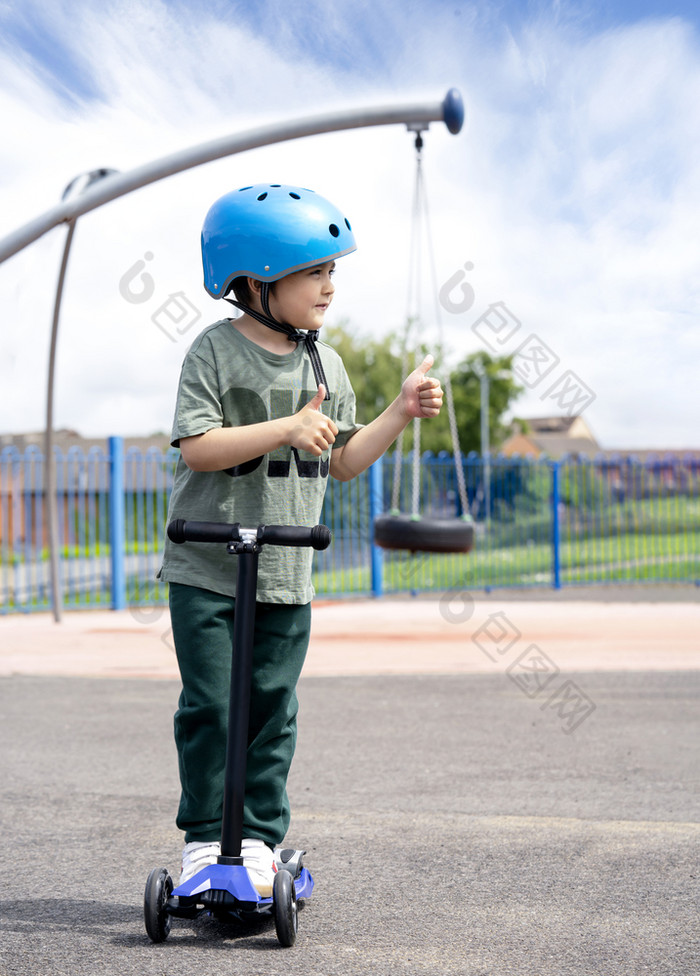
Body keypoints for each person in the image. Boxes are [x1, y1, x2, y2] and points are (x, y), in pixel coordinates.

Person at [158, 183, 443, 895]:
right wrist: (284, 427)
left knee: (272, 712)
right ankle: (203, 843)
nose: (329, 285)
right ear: (257, 279)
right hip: (206, 566)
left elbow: (342, 460)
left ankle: (254, 842)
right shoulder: (214, 353)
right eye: (314, 271)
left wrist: (399, 412)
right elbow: (197, 446)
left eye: (332, 270)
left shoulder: (327, 364)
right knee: (212, 707)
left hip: (286, 570)